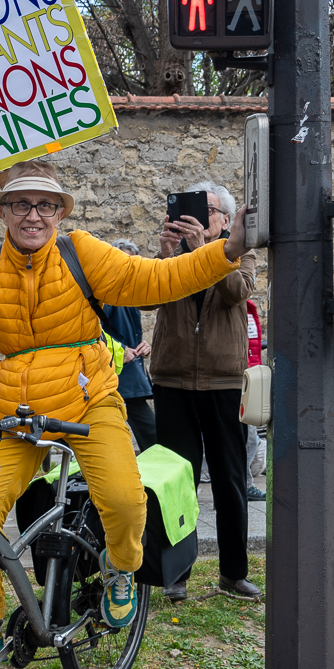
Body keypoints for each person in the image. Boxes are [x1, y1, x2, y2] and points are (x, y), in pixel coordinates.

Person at [0, 161, 253, 658]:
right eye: (21, 204)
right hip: (18, 414)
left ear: (58, 212)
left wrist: (227, 248)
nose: (34, 216)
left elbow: (154, 280)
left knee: (122, 499)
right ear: (4, 211)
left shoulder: (80, 251)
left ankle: (121, 569)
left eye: (45, 206)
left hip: (89, 399)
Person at [148, 180, 262, 603]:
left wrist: (202, 254)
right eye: (193, 210)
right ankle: (176, 572)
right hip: (172, 380)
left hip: (222, 380)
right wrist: (165, 257)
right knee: (176, 483)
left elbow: (237, 293)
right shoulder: (168, 256)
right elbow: (145, 297)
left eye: (209, 211)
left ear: (224, 220)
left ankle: (233, 573)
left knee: (231, 480)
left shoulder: (241, 254)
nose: (200, 217)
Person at [100, 239, 157, 453]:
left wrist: (143, 346)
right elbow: (92, 329)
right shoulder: (105, 292)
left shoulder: (128, 294)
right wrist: (120, 349)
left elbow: (131, 334)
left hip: (129, 372)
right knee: (148, 431)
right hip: (114, 373)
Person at [242, 299, 266, 498]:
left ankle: (244, 483)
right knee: (248, 439)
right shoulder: (237, 306)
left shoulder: (249, 307)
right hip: (237, 380)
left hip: (247, 379)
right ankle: (244, 484)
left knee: (249, 439)